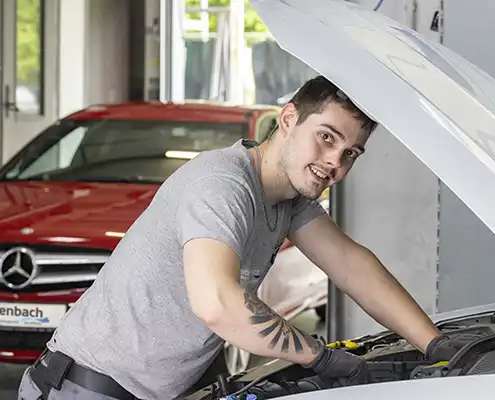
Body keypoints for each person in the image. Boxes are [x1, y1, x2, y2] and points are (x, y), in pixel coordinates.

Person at [18, 76, 468, 400]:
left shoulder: (289, 200)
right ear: (289, 118)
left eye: (350, 152)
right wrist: (319, 356)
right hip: (82, 388)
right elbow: (217, 303)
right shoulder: (223, 185)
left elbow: (352, 267)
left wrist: (435, 345)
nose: (335, 162)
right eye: (326, 138)